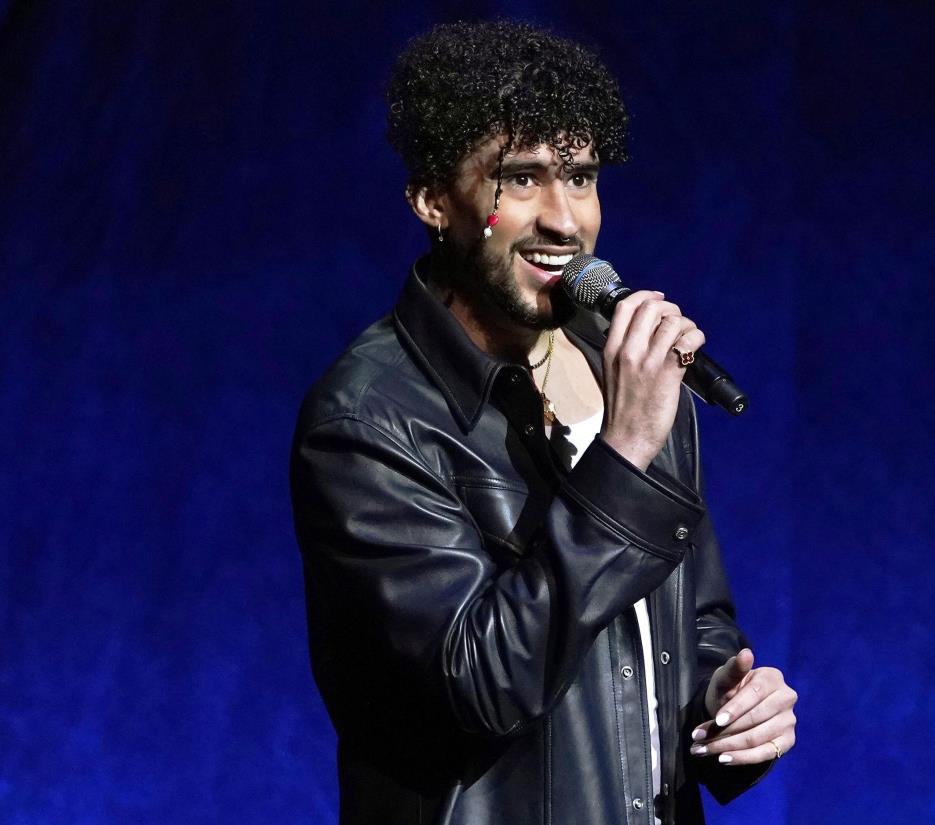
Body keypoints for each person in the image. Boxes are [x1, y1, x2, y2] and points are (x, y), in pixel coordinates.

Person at [289, 20, 797, 825]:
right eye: (521, 178)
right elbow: (479, 681)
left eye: (582, 177)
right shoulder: (369, 420)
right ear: (433, 200)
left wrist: (724, 709)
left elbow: (688, 624)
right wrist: (622, 455)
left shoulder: (627, 373)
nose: (566, 219)